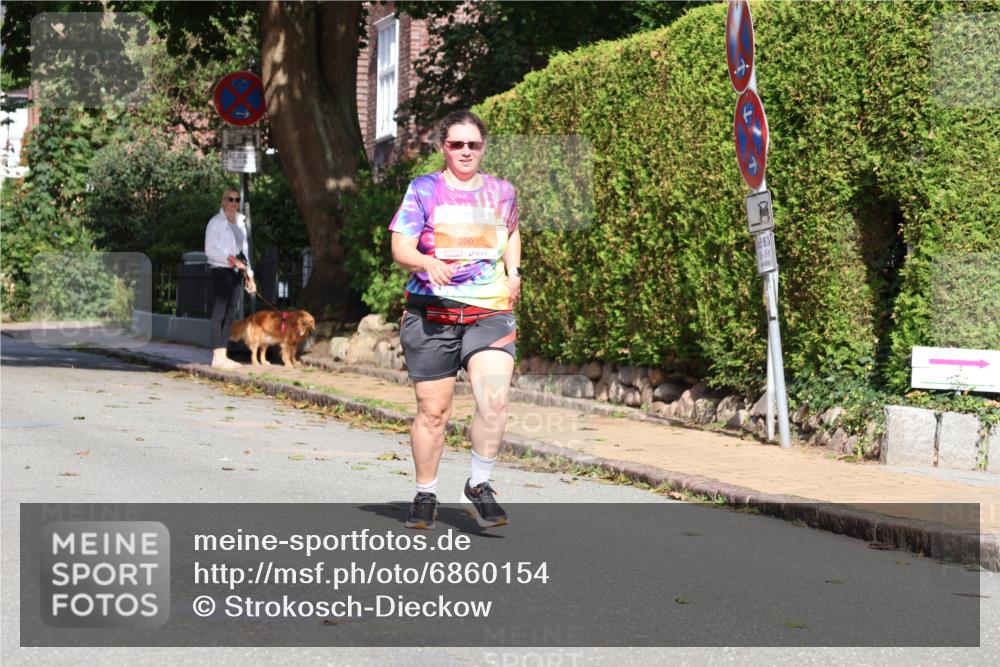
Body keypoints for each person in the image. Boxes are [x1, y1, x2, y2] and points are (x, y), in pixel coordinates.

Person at [390, 110, 522, 530]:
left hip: (489, 311)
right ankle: (426, 492)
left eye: (473, 144)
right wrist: (427, 262)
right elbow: (400, 247)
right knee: (434, 412)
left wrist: (513, 274)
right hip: (432, 314)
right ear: (443, 148)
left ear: (483, 147)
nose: (465, 151)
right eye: (456, 144)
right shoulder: (423, 190)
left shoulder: (502, 192)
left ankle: (479, 484)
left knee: (494, 398)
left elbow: (512, 233)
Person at [205, 187, 256, 368]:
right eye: (230, 199)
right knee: (219, 313)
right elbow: (210, 251)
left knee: (229, 315)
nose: (234, 203)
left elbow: (244, 253)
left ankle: (223, 355)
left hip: (236, 272)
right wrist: (231, 260)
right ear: (223, 201)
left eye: (237, 200)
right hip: (221, 270)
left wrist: (250, 275)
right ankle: (216, 356)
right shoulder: (215, 223)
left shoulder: (240, 223)